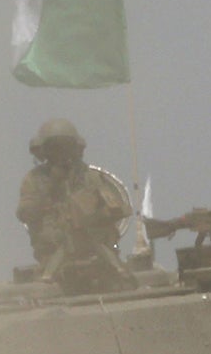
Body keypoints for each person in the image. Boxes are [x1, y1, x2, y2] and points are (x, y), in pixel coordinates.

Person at [15, 118, 132, 293]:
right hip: (53, 252)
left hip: (97, 249)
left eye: (65, 147)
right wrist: (50, 187)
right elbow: (25, 213)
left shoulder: (89, 177)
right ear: (45, 151)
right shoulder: (35, 180)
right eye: (55, 148)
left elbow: (116, 209)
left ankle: (116, 270)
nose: (61, 154)